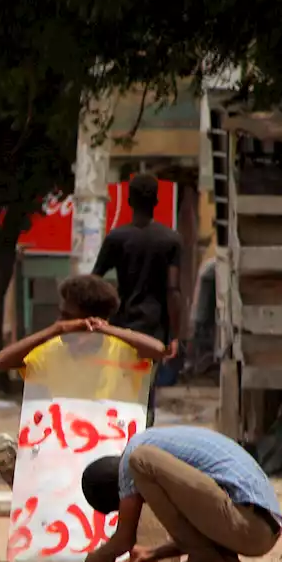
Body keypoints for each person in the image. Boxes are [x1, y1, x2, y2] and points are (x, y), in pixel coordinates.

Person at [0, 275, 166, 485]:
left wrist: (105, 329)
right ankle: (32, 497)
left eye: (68, 316)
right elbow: (1, 362)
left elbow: (158, 350)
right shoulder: (52, 351)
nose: (62, 322)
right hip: (63, 446)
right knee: (2, 446)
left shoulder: (122, 351)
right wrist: (55, 330)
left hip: (110, 445)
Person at [79, 426, 282, 562]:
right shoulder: (160, 442)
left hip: (248, 522)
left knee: (141, 459)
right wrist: (152, 554)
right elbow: (204, 520)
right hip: (260, 527)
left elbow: (124, 540)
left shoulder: (134, 457)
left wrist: (97, 557)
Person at [91, 172, 182, 425]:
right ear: (156, 201)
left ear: (129, 201)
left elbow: (95, 279)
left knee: (120, 389)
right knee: (146, 389)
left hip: (122, 328)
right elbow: (173, 290)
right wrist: (175, 334)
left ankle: (118, 438)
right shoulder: (171, 240)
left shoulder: (116, 239)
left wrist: (100, 318)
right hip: (154, 331)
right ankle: (141, 439)